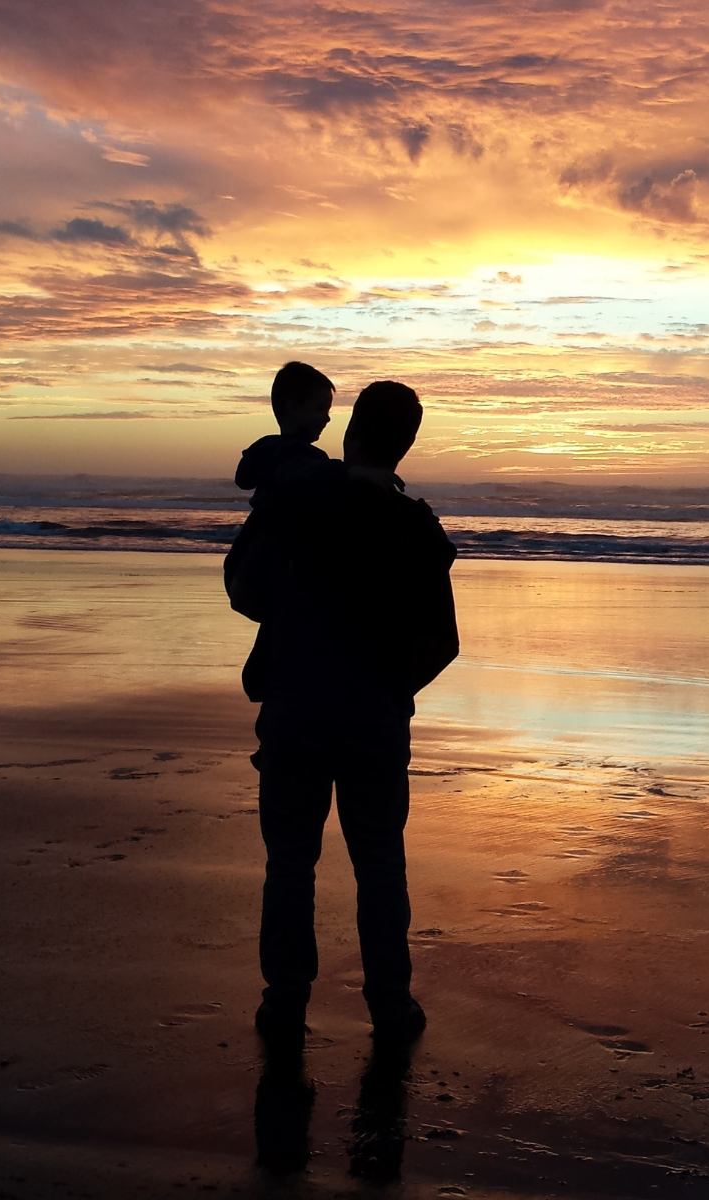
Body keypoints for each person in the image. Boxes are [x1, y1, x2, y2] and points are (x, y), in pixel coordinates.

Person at [225, 380, 459, 1047]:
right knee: (380, 862)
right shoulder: (413, 525)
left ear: (351, 430)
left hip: (296, 711)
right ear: (405, 443)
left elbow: (243, 591)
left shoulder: (297, 506)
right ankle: (389, 1003)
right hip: (373, 722)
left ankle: (284, 1002)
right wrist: (390, 688)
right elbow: (442, 643)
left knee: (291, 864)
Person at [234, 361, 335, 498]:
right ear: (293, 408)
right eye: (320, 409)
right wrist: (353, 472)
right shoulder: (307, 457)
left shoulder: (264, 448)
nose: (327, 419)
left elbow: (243, 480)